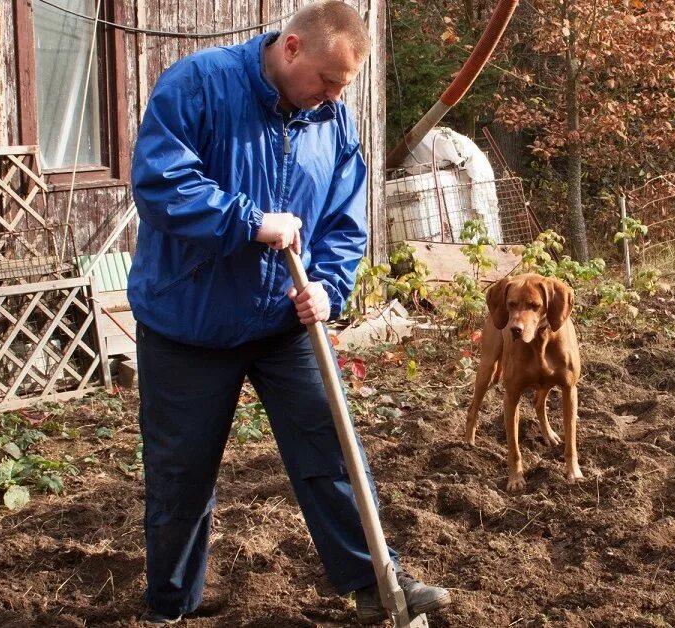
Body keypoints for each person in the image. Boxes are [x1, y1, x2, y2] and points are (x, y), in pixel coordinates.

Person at [127, 2, 450, 624]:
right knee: (182, 477)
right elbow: (162, 184)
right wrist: (250, 222)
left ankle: (377, 583)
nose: (332, 97)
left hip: (284, 322)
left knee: (331, 450)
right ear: (293, 47)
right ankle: (169, 607)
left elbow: (345, 221)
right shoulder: (198, 85)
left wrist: (329, 286)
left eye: (343, 87)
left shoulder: (331, 118)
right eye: (327, 81)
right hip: (189, 323)